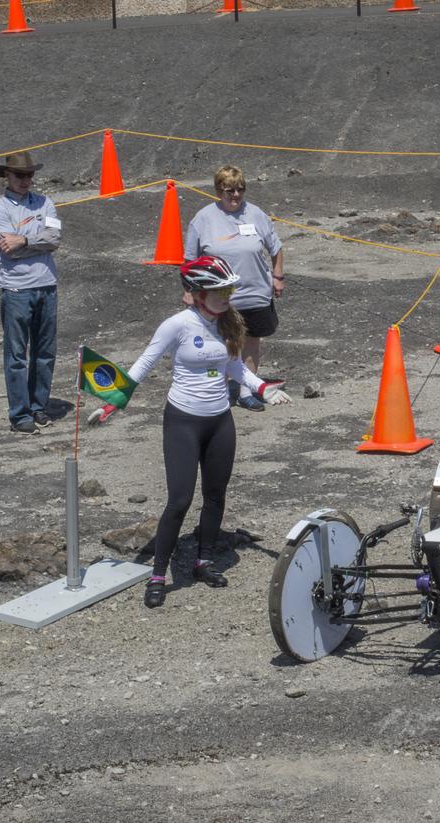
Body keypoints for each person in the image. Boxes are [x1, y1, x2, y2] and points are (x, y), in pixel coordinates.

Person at [112, 256, 291, 609]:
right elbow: (145, 363)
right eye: (217, 291)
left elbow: (236, 367)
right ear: (196, 294)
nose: (226, 297)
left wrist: (262, 389)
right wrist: (112, 401)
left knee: (215, 496)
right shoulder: (177, 325)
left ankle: (203, 560)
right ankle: (159, 574)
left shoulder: (229, 323)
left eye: (228, 290)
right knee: (179, 501)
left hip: (220, 420)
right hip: (183, 421)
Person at [183, 165, 285, 413]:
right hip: (220, 297)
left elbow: (276, 248)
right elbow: (189, 261)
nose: (236, 195)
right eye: (229, 190)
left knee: (251, 341)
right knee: (222, 344)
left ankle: (245, 392)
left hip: (256, 292)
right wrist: (189, 290)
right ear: (219, 190)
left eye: (240, 189)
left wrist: (278, 276)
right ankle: (219, 391)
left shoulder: (257, 214)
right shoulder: (203, 219)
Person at [0, 152, 62, 435]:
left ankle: (38, 406)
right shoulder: (0, 210)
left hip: (47, 286)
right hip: (17, 290)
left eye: (30, 175)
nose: (26, 180)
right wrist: (36, 242)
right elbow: (8, 249)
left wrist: (24, 240)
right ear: (6, 176)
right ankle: (20, 414)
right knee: (17, 356)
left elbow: (54, 240)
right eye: (20, 175)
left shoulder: (46, 203)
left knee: (45, 352)